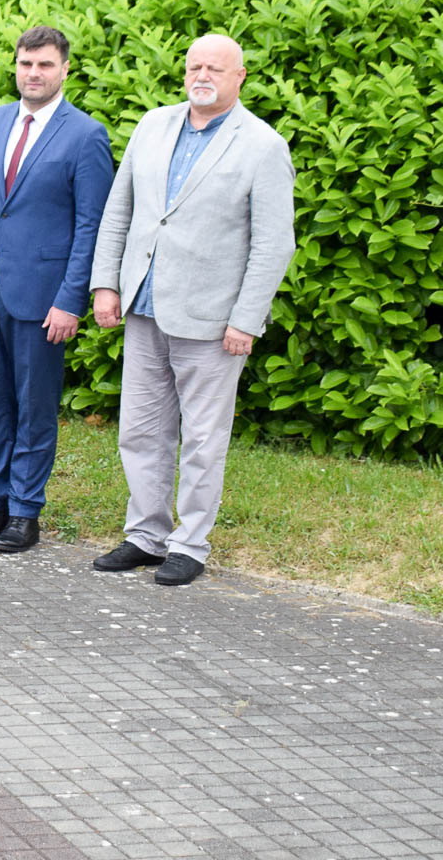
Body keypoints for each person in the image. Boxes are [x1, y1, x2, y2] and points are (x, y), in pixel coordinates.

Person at [88, 34, 295, 586]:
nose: (202, 76)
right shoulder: (153, 125)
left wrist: (246, 319)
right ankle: (145, 535)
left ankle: (190, 544)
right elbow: (119, 211)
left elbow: (274, 244)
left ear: (240, 77)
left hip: (212, 320)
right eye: (194, 66)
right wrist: (106, 284)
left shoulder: (263, 145)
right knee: (140, 430)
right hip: (144, 307)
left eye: (215, 68)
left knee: (203, 439)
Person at [0, 26, 114, 554]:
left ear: (65, 69)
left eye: (44, 64)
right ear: (15, 66)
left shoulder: (86, 135)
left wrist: (70, 299)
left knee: (34, 407)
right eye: (25, 63)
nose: (33, 73)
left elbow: (91, 226)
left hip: (44, 299)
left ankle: (24, 511)